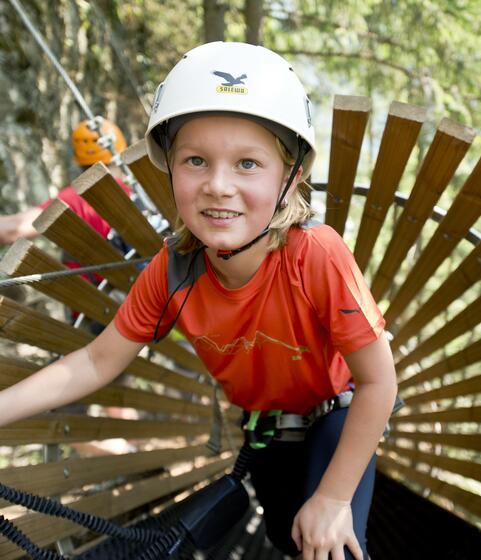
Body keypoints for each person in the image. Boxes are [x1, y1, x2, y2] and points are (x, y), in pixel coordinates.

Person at [0, 42, 397, 559]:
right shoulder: (174, 271)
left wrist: (334, 497)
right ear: (171, 171)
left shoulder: (313, 255)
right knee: (286, 540)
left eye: (248, 163)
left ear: (290, 178)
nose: (217, 185)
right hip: (266, 433)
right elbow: (95, 362)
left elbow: (377, 380)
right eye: (195, 161)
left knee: (329, 546)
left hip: (336, 415)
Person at [0, 118, 130, 251]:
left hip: (85, 272)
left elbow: (12, 231)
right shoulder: (136, 192)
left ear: (78, 158)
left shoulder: (76, 197)